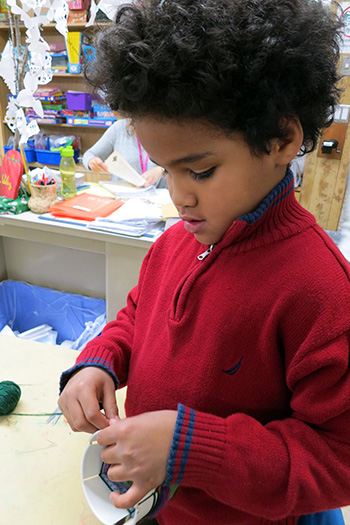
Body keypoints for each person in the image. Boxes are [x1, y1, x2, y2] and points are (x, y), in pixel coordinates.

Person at [58, 1, 350, 524]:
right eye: (166, 170)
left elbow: (338, 459)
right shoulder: (175, 243)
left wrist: (191, 448)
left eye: (201, 171)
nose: (179, 197)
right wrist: (98, 361)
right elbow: (137, 318)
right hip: (158, 503)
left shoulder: (319, 288)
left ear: (282, 140)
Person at [82, 118, 166, 187]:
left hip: (160, 200)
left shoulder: (168, 129)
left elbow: (178, 164)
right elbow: (89, 154)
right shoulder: (119, 128)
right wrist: (91, 162)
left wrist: (161, 170)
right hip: (123, 199)